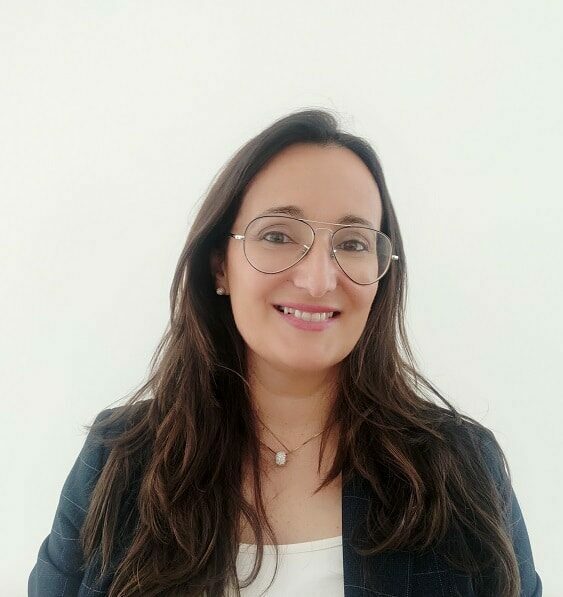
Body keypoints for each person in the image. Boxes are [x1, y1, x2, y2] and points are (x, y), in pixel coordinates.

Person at [28, 109, 542, 596]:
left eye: (353, 243)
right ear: (220, 266)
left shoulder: (462, 470)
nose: (318, 280)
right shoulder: (117, 463)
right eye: (277, 235)